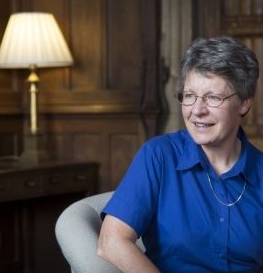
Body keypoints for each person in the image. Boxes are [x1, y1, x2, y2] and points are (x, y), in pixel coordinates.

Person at [97, 36, 263, 272]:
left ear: (244, 104)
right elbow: (111, 242)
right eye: (189, 95)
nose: (197, 110)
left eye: (213, 97)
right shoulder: (159, 156)